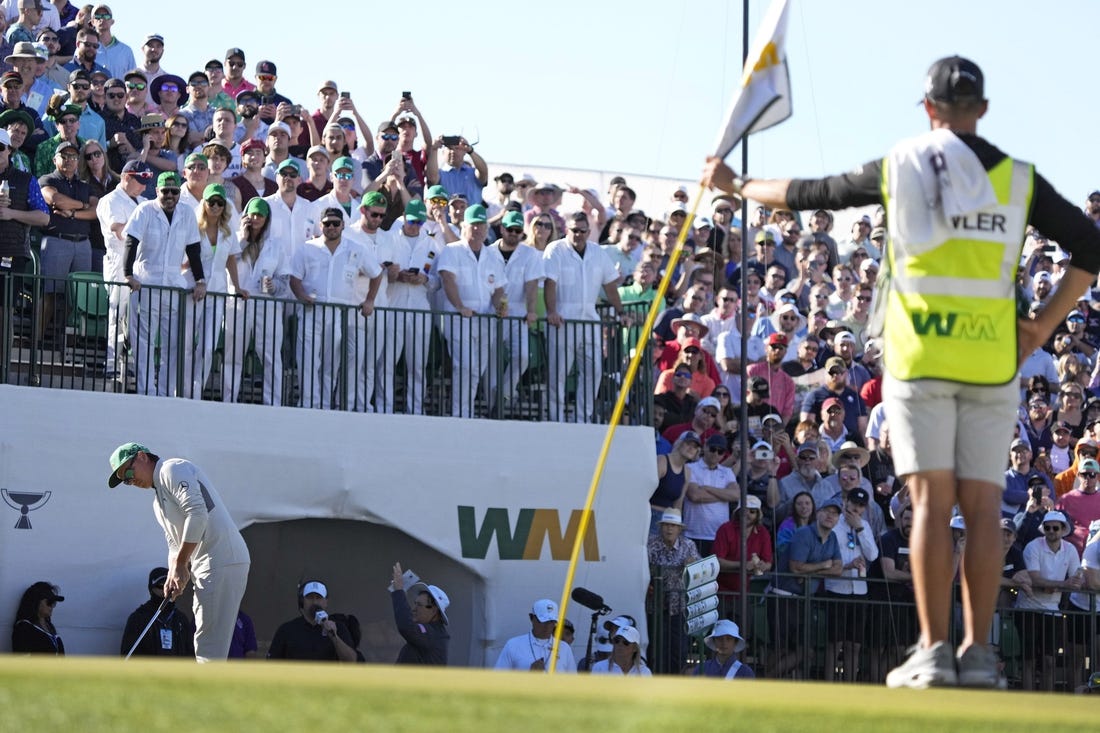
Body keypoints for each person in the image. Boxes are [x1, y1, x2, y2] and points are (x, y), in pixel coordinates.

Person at [704, 55, 1100, 689]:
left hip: (920, 358)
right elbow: (1093, 245)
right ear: (984, 110)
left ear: (928, 109)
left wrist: (737, 184)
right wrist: (1043, 324)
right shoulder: (1018, 178)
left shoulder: (905, 163)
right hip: (992, 358)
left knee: (930, 506)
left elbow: (816, 193)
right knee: (981, 503)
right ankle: (977, 658)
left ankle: (934, 651)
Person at [107, 442, 250, 662]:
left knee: (208, 642)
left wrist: (182, 564)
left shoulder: (171, 469)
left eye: (128, 471)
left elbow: (198, 514)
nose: (129, 480)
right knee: (208, 638)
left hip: (220, 557)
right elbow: (174, 544)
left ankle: (207, 694)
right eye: (124, 480)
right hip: (211, 562)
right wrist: (174, 573)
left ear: (143, 457)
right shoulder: (158, 503)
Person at [123, 171, 204, 397]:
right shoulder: (145, 210)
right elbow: (131, 240)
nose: (169, 195)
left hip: (173, 285)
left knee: (173, 344)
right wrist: (128, 274)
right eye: (165, 191)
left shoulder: (187, 213)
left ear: (179, 192)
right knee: (144, 343)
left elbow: (193, 249)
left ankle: (167, 392)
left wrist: (200, 280)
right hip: (146, 282)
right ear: (156, 191)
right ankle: (146, 390)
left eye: (174, 191)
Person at [543, 211, 628, 423]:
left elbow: (610, 286)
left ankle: (583, 417)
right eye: (574, 230)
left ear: (589, 232)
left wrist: (621, 312)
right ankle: (555, 418)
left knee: (594, 372)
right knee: (558, 373)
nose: (578, 234)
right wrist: (552, 311)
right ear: (566, 230)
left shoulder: (598, 252)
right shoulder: (555, 249)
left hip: (590, 324)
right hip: (562, 323)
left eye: (582, 231)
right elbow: (549, 284)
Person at [646, 508, 700, 674]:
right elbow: (642, 570)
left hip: (680, 605)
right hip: (655, 604)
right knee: (656, 647)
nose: (669, 529)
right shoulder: (651, 544)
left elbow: (699, 570)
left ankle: (676, 681)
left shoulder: (689, 545)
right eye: (666, 525)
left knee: (679, 648)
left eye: (673, 526)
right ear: (661, 527)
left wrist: (692, 564)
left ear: (679, 529)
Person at [267, 581, 357, 662]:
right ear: (302, 602)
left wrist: (334, 636)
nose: (314, 602)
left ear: (326, 602)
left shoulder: (339, 627)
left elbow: (351, 661)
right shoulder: (286, 630)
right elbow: (271, 663)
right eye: (310, 597)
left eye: (318, 597)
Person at [119, 567, 195, 657]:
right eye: (160, 586)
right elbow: (128, 653)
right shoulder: (139, 618)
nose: (165, 591)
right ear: (151, 589)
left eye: (170, 587)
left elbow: (190, 654)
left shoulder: (181, 619)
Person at [390, 562, 449, 665]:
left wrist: (399, 592)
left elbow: (407, 627)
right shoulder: (434, 634)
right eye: (415, 604)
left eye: (419, 605)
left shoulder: (431, 634)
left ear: (434, 610)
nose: (414, 609)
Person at [494, 598, 577, 672]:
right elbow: (498, 681)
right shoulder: (513, 645)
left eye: (552, 621)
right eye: (543, 621)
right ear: (531, 618)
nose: (547, 626)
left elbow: (572, 684)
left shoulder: (565, 648)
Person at [10, 581, 65, 654]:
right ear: (36, 602)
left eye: (53, 603)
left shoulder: (50, 628)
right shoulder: (24, 627)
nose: (51, 607)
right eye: (49, 602)